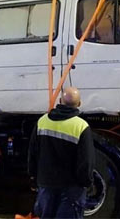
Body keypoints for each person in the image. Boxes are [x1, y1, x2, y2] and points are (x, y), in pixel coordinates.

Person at [28, 87, 95, 219]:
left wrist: (33, 177)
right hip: (71, 189)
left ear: (59, 100)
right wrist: (87, 183)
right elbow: (86, 162)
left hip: (46, 185)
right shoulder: (81, 126)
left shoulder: (42, 121)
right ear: (79, 104)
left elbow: (32, 153)